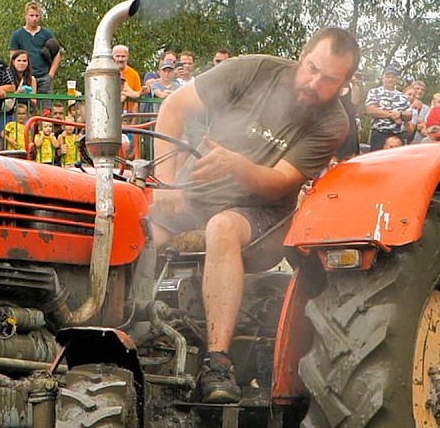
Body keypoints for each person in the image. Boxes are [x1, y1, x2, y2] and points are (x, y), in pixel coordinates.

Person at [150, 27, 359, 403]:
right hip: (194, 197)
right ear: (301, 55)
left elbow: (278, 183)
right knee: (143, 231)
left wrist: (235, 165)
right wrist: (165, 183)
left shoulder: (333, 122)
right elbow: (174, 108)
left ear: (344, 85)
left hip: (265, 217)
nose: (314, 83)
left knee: (222, 226)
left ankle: (218, 362)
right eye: (312, 68)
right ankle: (140, 332)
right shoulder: (251, 71)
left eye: (329, 80)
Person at [8, 1, 59, 94]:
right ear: (26, 16)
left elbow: (57, 55)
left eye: (37, 15)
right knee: (24, 107)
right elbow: (13, 57)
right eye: (31, 15)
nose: (34, 18)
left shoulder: (47, 34)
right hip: (25, 78)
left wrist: (50, 75)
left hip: (44, 77)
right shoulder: (17, 35)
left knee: (45, 107)